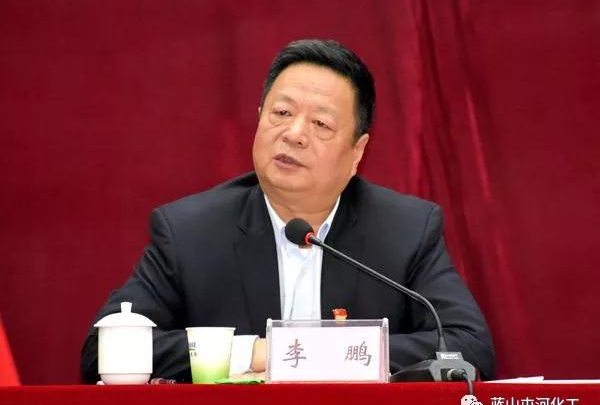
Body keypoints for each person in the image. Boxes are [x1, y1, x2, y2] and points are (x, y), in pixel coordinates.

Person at [81, 39, 495, 382]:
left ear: (357, 152)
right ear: (259, 119)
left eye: (321, 125)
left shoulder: (405, 230)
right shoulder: (190, 232)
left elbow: (468, 346)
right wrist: (255, 352)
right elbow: (103, 351)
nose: (294, 134)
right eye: (281, 113)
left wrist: (306, 354)